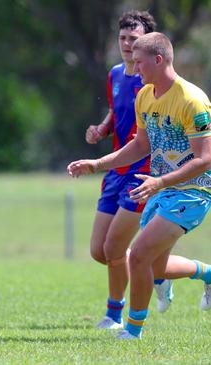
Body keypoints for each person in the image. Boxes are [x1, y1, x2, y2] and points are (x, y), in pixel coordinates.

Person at [68, 32, 211, 339]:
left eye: (139, 62)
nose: (134, 68)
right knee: (151, 269)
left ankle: (132, 331)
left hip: (194, 191)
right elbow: (140, 145)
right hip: (160, 189)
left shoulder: (193, 100)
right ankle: (208, 273)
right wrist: (97, 164)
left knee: (137, 255)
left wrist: (160, 180)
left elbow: (204, 159)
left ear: (158, 60)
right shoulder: (144, 96)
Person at [82, 11, 173, 330]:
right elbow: (115, 110)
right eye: (122, 38)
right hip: (116, 171)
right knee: (98, 251)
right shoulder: (115, 74)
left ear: (147, 42)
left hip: (143, 172)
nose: (126, 44)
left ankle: (115, 314)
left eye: (133, 39)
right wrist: (102, 129)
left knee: (114, 249)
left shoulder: (155, 80)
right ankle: (159, 269)